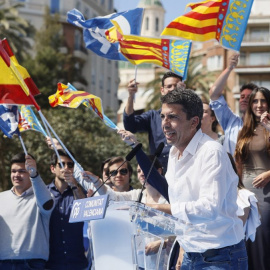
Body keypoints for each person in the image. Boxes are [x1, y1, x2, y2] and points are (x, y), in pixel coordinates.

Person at [141, 88, 246, 269]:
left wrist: (160, 209)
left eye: (172, 117)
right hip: (190, 253)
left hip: (220, 257)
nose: (165, 124)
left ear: (193, 122)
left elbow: (209, 209)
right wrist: (182, 246)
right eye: (163, 117)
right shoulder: (173, 154)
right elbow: (183, 209)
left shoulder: (211, 152)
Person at [234, 87, 270, 270]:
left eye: (263, 100)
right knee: (244, 240)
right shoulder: (244, 130)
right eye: (255, 101)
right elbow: (238, 164)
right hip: (244, 196)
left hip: (265, 196)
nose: (259, 105)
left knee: (261, 239)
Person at [0, 153, 54, 270]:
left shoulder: (42, 198)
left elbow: (47, 204)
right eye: (13, 171)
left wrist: (35, 175)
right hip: (3, 264)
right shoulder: (1, 198)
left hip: (33, 264)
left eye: (22, 171)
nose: (16, 175)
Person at [123, 71, 184, 172]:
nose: (173, 89)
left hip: (183, 171)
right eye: (169, 86)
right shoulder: (152, 116)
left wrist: (184, 98)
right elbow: (130, 125)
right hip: (158, 173)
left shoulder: (190, 115)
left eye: (176, 86)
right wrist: (131, 95)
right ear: (162, 90)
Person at [46, 149, 89, 270]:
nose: (66, 168)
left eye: (70, 165)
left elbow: (85, 211)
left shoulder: (80, 192)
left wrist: (75, 185)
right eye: (61, 164)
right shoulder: (44, 193)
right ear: (52, 168)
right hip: (51, 264)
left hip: (77, 263)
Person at [209, 53, 257, 155]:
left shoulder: (264, 126)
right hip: (230, 171)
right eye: (242, 97)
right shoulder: (231, 121)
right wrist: (229, 68)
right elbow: (214, 93)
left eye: (249, 97)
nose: (244, 100)